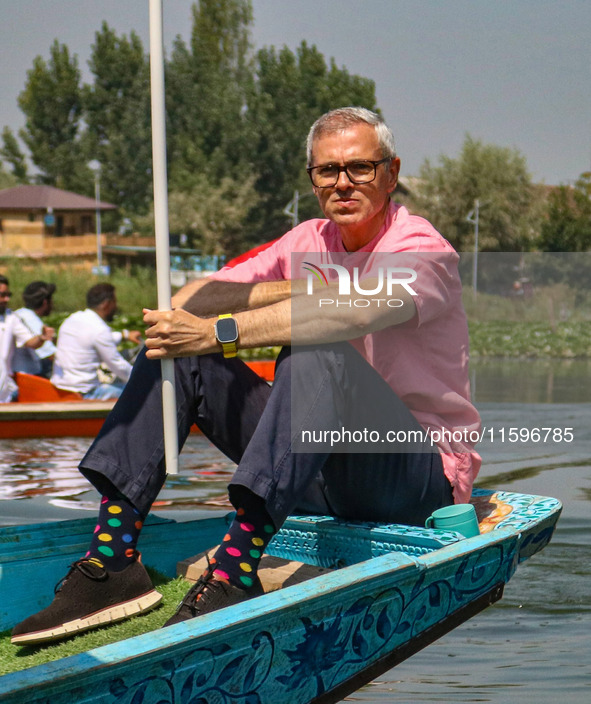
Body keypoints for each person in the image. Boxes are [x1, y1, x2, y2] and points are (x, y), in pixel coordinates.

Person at [12, 107, 481, 646]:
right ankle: (113, 560)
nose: (343, 183)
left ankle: (236, 571)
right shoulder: (306, 241)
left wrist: (228, 330)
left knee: (315, 346)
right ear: (312, 179)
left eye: (361, 168)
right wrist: (291, 293)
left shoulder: (423, 249)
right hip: (316, 467)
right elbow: (190, 301)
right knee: (176, 348)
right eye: (327, 171)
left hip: (411, 476)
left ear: (391, 174)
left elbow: (355, 310)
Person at [50, 283, 142, 400]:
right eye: (115, 302)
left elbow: (90, 340)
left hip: (60, 387)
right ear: (106, 304)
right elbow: (118, 366)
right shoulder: (99, 330)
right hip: (86, 393)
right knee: (137, 392)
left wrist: (125, 335)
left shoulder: (72, 319)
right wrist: (143, 380)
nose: (116, 306)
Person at [0, 275, 54, 403]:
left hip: (4, 390)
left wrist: (41, 338)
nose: (7, 299)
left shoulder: (11, 318)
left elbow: (30, 342)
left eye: (8, 294)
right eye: (2, 295)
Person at [12, 281, 57, 378]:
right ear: (45, 302)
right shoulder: (31, 319)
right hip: (27, 375)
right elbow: (51, 355)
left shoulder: (19, 313)